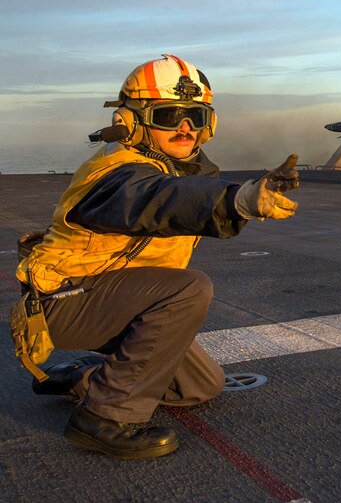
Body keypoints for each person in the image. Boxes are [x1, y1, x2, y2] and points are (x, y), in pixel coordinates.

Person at [15, 54, 300, 460]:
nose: (185, 128)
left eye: (195, 117)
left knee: (201, 386)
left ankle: (84, 379)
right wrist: (236, 199)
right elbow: (154, 199)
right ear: (134, 122)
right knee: (189, 288)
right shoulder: (118, 172)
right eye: (169, 116)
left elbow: (177, 189)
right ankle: (103, 419)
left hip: (104, 298)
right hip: (64, 301)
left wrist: (227, 194)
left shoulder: (179, 171)